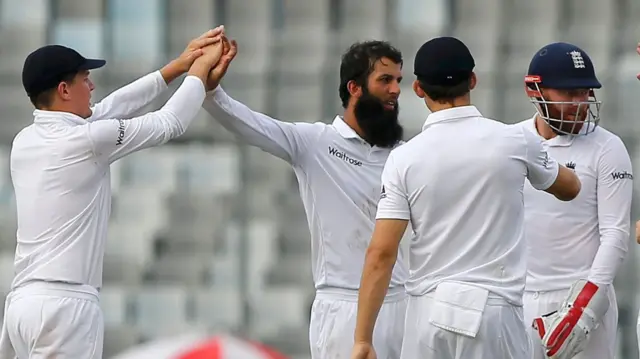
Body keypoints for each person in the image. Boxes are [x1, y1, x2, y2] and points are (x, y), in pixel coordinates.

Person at [0, 27, 225, 359]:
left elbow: (109, 108)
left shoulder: (25, 141)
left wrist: (176, 67)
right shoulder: (86, 141)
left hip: (21, 307)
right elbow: (170, 123)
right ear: (64, 89)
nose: (91, 87)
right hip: (66, 309)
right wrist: (199, 73)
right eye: (84, 79)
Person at [350, 36, 582, 359]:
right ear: (472, 80)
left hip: (427, 314)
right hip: (494, 311)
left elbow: (381, 253)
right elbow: (570, 188)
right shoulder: (515, 140)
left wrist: (362, 340)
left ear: (418, 89)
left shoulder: (404, 159)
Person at [203, 37, 409, 358]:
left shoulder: (403, 154)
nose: (396, 89)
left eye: (398, 80)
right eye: (385, 80)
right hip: (343, 307)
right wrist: (212, 91)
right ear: (354, 88)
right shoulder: (314, 142)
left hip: (402, 304)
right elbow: (248, 124)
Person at [520, 42, 633, 359]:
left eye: (584, 92)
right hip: (521, 297)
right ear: (534, 90)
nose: (580, 103)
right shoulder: (513, 141)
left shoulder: (607, 147)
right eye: (569, 94)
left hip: (583, 299)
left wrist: (584, 308)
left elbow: (616, 234)